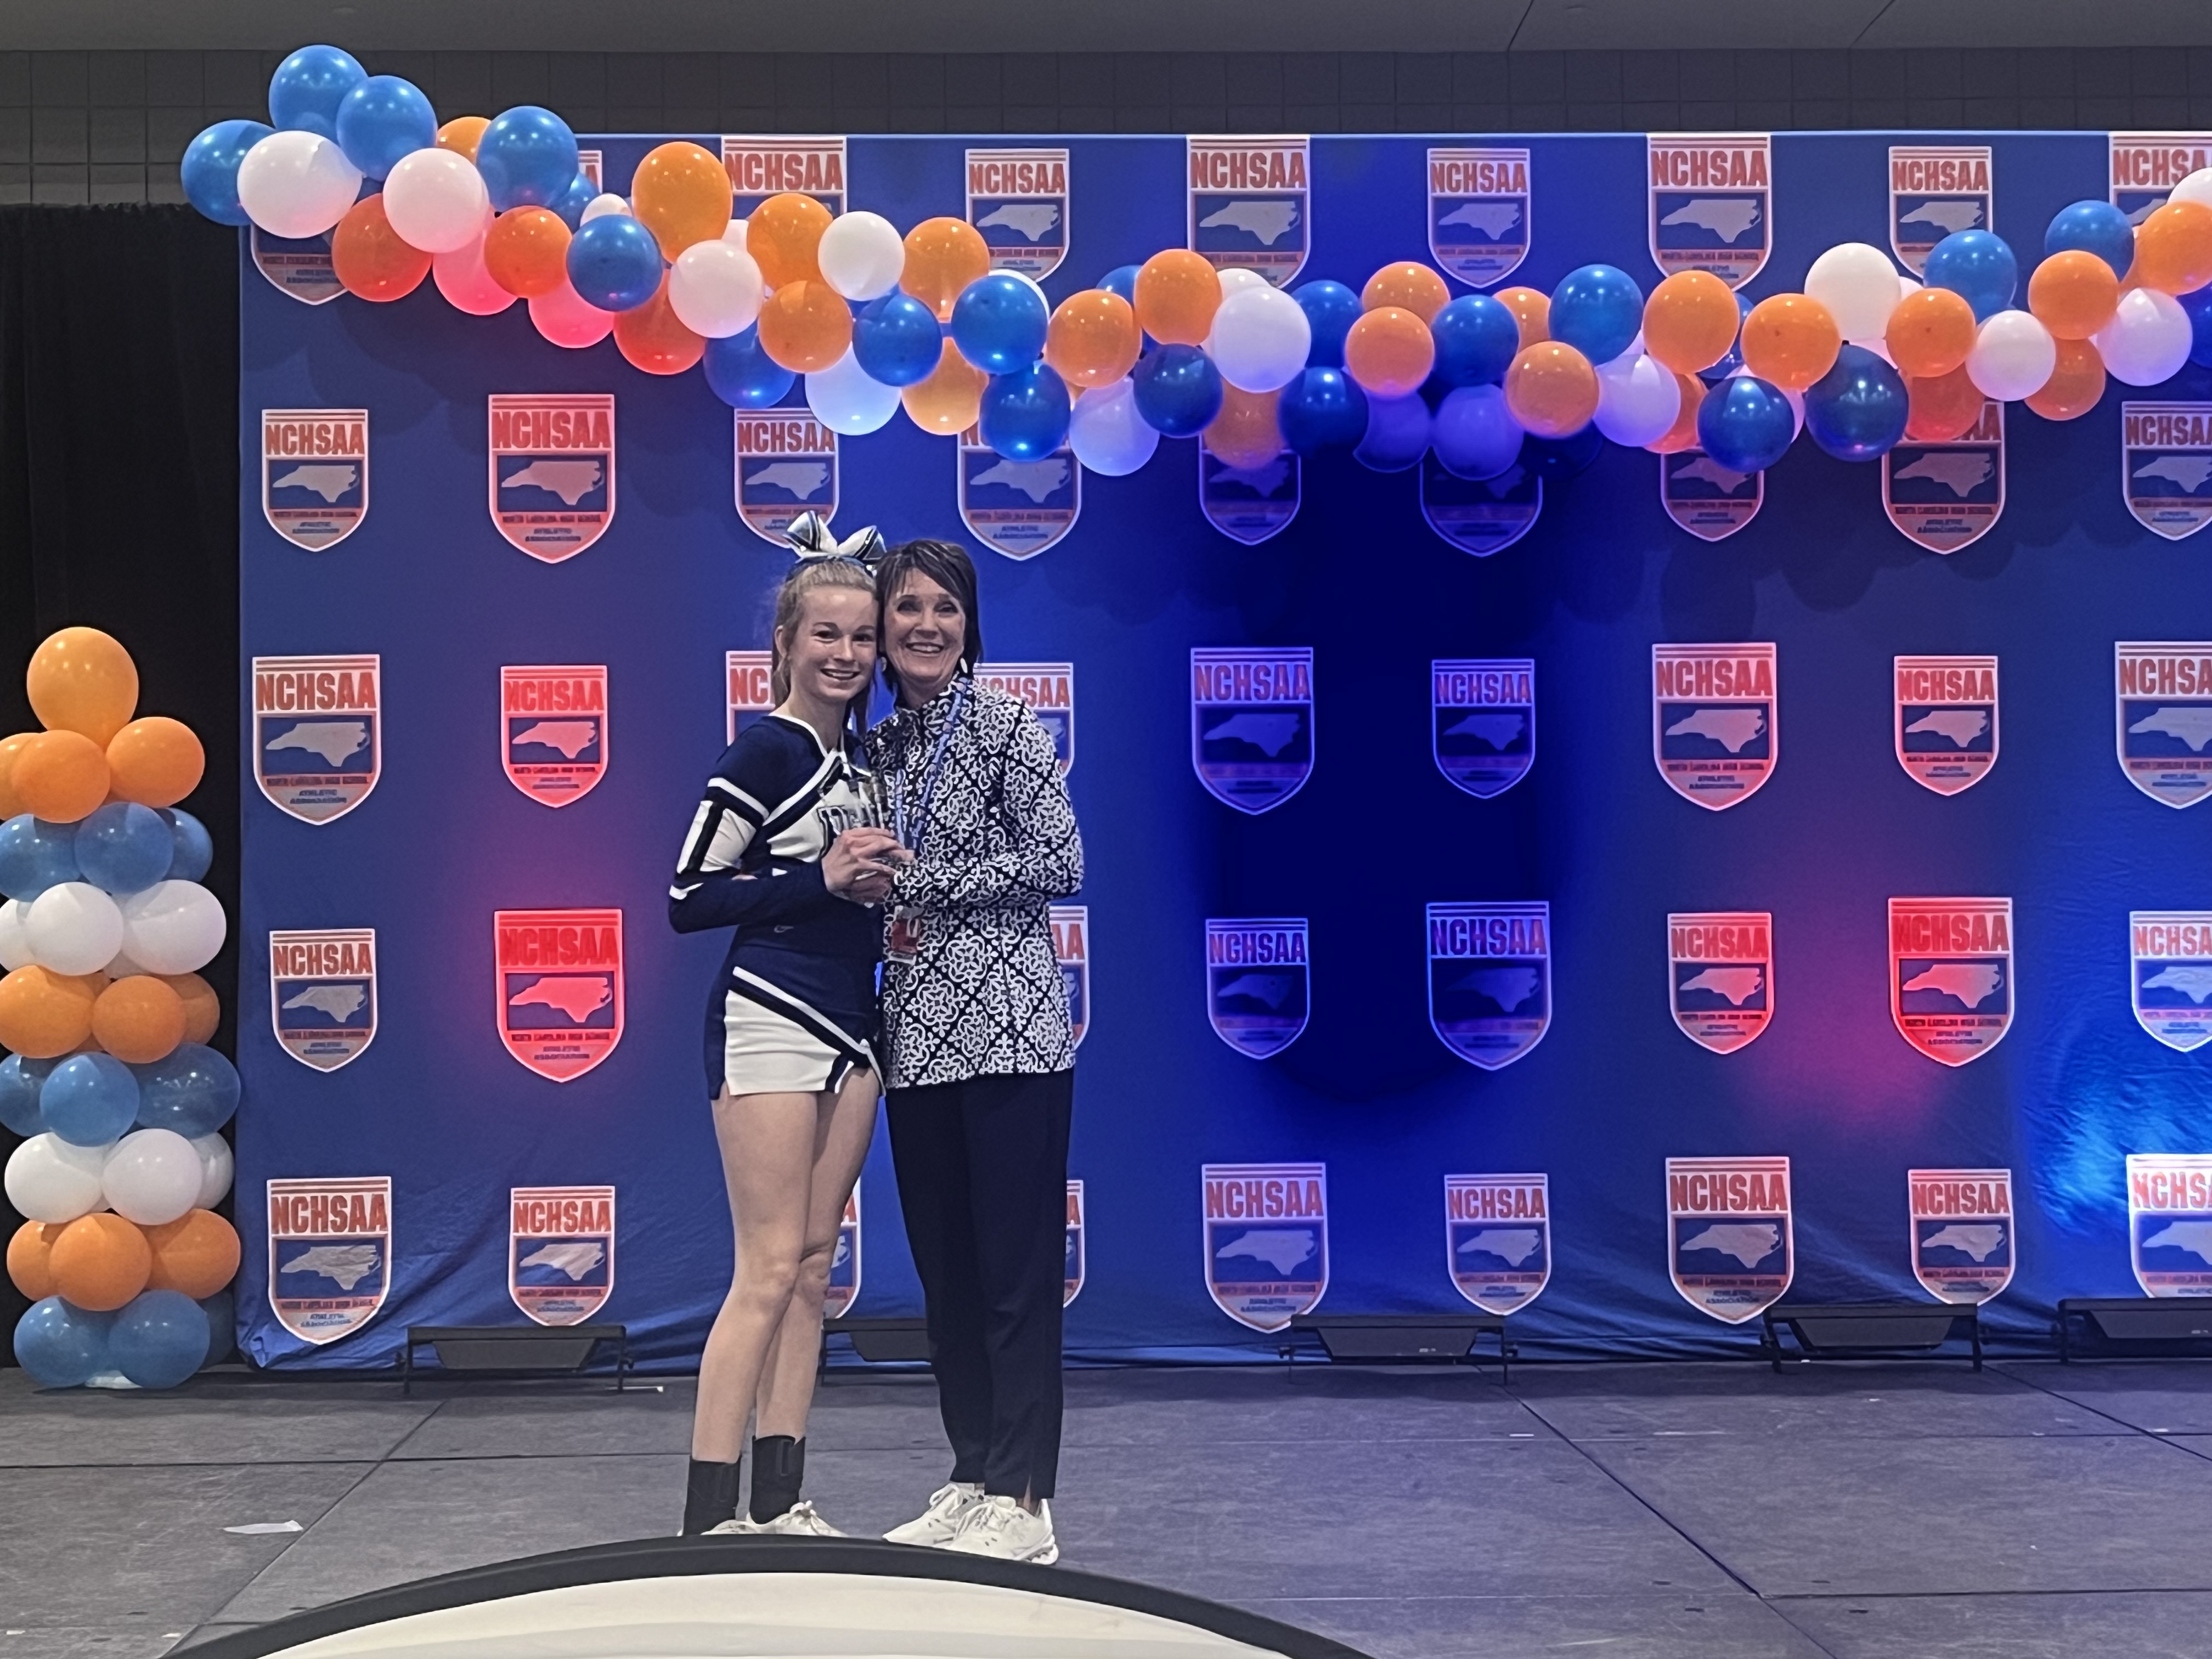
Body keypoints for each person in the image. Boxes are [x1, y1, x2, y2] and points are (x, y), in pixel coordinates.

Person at [667, 515, 899, 1537]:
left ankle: (780, 1502)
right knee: (765, 1268)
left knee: (811, 1268)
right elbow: (687, 895)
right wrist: (819, 880)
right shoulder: (766, 750)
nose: (845, 654)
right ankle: (706, 1520)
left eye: (862, 636)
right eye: (826, 634)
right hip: (771, 1016)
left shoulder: (865, 762)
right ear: (787, 643)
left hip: (855, 1029)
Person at [865, 537, 1085, 1564]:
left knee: (1013, 1279)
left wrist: (918, 885)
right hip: (915, 1044)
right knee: (948, 1280)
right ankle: (971, 1476)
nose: (926, 625)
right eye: (907, 607)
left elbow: (1061, 858)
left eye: (945, 608)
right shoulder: (876, 750)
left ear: (970, 625)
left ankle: (1024, 1499)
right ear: (881, 629)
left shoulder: (1004, 724)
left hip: (1010, 1037)